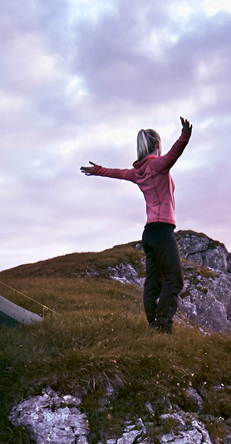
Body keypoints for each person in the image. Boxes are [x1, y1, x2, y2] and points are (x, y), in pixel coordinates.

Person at [80, 117, 193, 333]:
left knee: (153, 282)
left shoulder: (138, 172)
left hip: (149, 234)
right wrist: (185, 136)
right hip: (162, 230)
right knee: (175, 279)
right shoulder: (158, 165)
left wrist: (98, 170)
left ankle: (153, 326)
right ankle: (162, 326)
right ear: (157, 145)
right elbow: (174, 154)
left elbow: (119, 173)